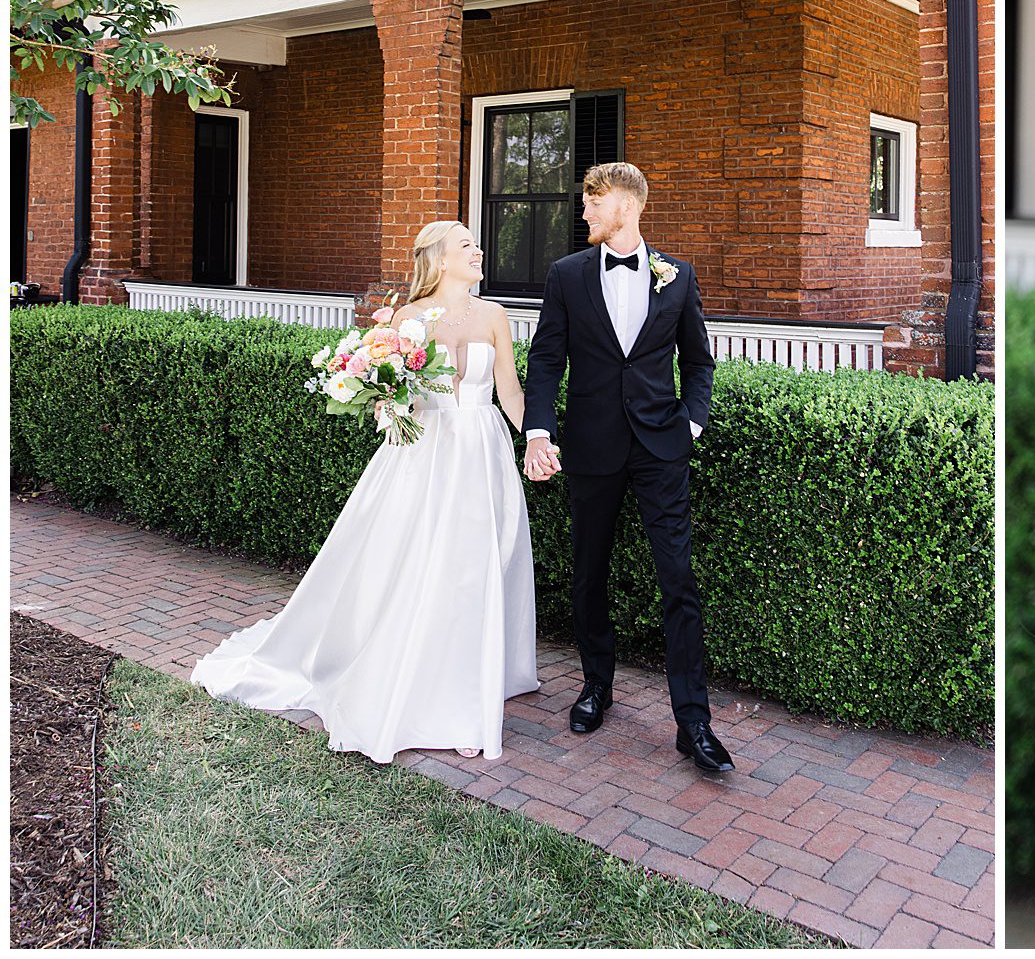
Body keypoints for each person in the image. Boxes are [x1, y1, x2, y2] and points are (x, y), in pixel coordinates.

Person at [193, 221, 538, 762]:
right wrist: (383, 397)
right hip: (425, 456)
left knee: (480, 562)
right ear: (441, 261)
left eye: (476, 244)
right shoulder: (407, 319)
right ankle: (426, 685)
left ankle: (472, 673)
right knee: (425, 564)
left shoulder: (495, 316)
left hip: (483, 453)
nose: (479, 251)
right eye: (466, 246)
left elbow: (510, 391)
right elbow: (399, 397)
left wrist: (535, 440)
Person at [522, 161, 728, 772]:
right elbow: (545, 359)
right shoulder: (566, 275)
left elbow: (699, 362)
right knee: (589, 574)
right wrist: (539, 429)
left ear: (631, 207)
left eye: (595, 201)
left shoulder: (678, 276)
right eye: (585, 201)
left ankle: (693, 722)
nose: (583, 211)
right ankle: (596, 686)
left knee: (679, 581)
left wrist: (691, 422)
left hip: (661, 448)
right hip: (591, 448)